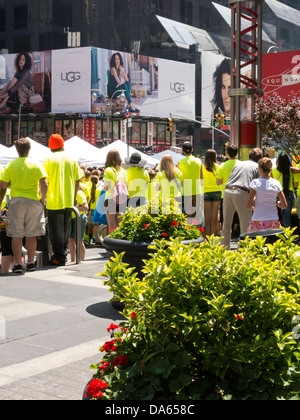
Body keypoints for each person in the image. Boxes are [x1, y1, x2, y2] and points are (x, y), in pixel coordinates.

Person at [0, 138, 48, 273]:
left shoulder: (11, 165)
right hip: (33, 200)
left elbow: (2, 184)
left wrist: (12, 183)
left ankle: (17, 264)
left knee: (16, 234)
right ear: (29, 149)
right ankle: (31, 262)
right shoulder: (36, 164)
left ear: (17, 150)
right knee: (32, 234)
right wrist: (42, 199)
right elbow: (44, 183)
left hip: (16, 201)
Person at [43, 134, 82, 266]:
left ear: (50, 146)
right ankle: (62, 255)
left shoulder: (49, 159)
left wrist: (43, 197)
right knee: (66, 230)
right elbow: (78, 179)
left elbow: (44, 181)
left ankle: (58, 256)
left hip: (54, 200)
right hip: (69, 200)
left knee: (55, 231)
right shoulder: (72, 159)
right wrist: (75, 196)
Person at [221, 147, 263, 250]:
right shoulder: (257, 167)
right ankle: (242, 252)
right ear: (260, 159)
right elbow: (257, 186)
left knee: (226, 224)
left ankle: (223, 251)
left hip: (228, 191)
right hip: (242, 192)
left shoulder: (238, 164)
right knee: (245, 226)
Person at [247, 157, 287, 232]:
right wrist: (276, 203)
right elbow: (284, 205)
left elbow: (248, 204)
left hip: (257, 220)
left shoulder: (255, 183)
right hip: (273, 220)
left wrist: (255, 201)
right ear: (270, 169)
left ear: (260, 169)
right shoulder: (276, 183)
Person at [178, 141, 203, 225]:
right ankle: (197, 233)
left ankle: (189, 233)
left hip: (186, 191)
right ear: (192, 150)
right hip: (197, 191)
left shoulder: (180, 162)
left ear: (183, 151)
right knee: (197, 214)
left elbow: (179, 178)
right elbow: (201, 176)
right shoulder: (198, 161)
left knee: (188, 215)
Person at [216, 144, 239, 231]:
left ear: (227, 153)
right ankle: (236, 231)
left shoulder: (222, 166)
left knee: (226, 216)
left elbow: (218, 182)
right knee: (237, 214)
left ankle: (226, 233)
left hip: (226, 194)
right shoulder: (241, 164)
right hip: (239, 193)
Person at [103, 149, 128, 231]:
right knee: (119, 225)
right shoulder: (123, 171)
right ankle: (118, 242)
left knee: (112, 226)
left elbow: (107, 187)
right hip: (120, 199)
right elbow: (126, 186)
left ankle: (112, 243)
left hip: (110, 198)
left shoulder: (108, 170)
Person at [271, 152, 294, 228]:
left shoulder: (273, 170)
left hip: (277, 194)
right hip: (288, 193)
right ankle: (287, 236)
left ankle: (278, 235)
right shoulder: (291, 170)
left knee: (277, 215)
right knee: (287, 216)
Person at [202, 149, 222, 237]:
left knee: (207, 216)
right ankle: (212, 237)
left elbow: (201, 181)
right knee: (215, 216)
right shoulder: (218, 167)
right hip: (217, 191)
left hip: (206, 191)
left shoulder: (202, 167)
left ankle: (206, 236)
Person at [68, 187, 89, 262]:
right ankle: (73, 260)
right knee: (70, 239)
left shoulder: (79, 193)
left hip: (79, 218)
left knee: (79, 240)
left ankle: (81, 260)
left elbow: (86, 207)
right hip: (71, 217)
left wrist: (73, 208)